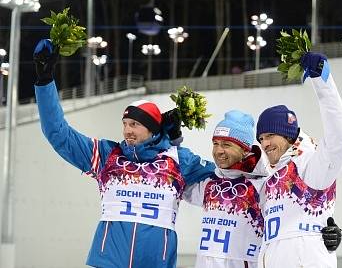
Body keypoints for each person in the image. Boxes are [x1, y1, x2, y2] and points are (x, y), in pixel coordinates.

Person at [33, 38, 215, 268]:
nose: (127, 130)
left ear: (151, 129)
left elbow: (221, 174)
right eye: (125, 123)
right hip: (108, 262)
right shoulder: (107, 155)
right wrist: (44, 81)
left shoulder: (177, 160)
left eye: (134, 124)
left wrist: (174, 142)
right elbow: (57, 133)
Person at [184, 110, 342, 268]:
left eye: (226, 144)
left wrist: (326, 230)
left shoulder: (265, 183)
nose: (219, 150)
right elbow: (168, 185)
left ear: (245, 149)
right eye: (215, 144)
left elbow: (294, 210)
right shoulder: (208, 184)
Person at [255, 52, 342, 268]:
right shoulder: (271, 178)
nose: (265, 144)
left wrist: (322, 82)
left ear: (289, 136)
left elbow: (340, 140)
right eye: (261, 138)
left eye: (270, 136)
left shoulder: (309, 165)